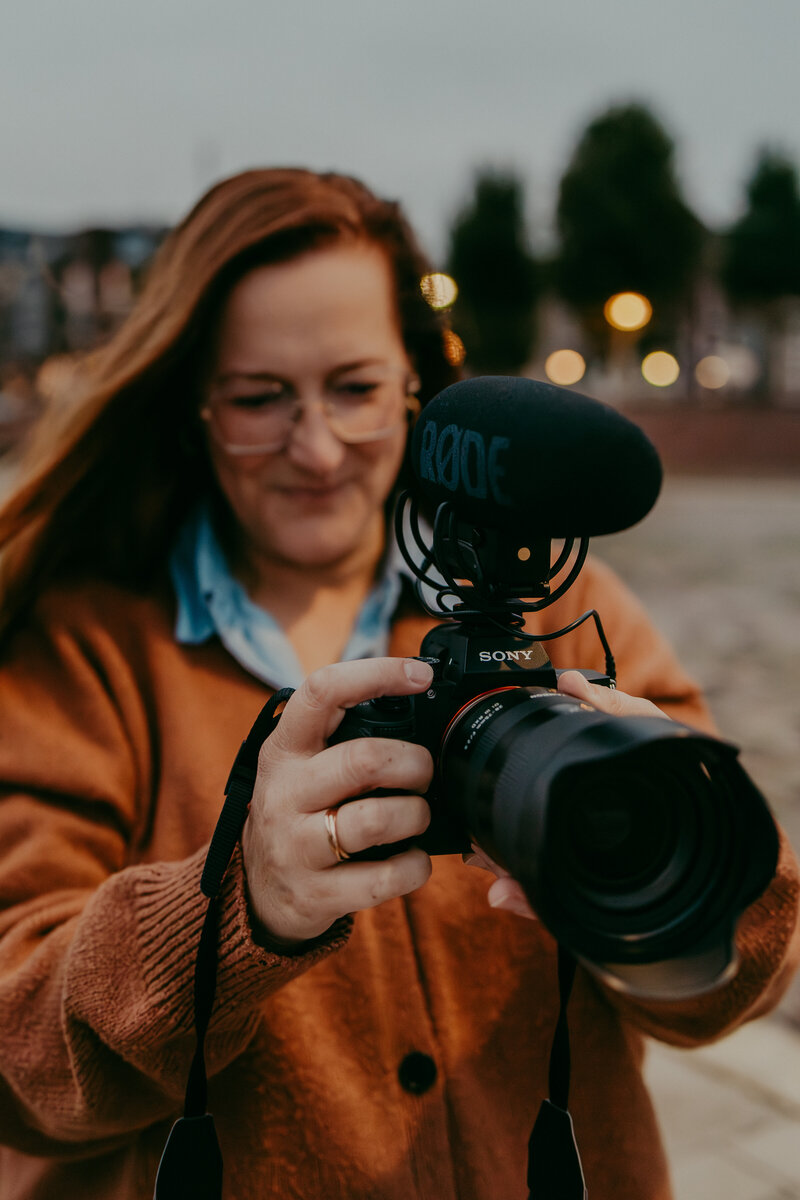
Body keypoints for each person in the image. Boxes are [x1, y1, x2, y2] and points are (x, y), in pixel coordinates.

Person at [0, 167, 797, 1200]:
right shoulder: (83, 651)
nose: (317, 447)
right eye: (258, 399)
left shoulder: (561, 606)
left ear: (418, 392)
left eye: (355, 389)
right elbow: (20, 1072)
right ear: (191, 403)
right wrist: (239, 906)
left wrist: (668, 852)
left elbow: (726, 986)